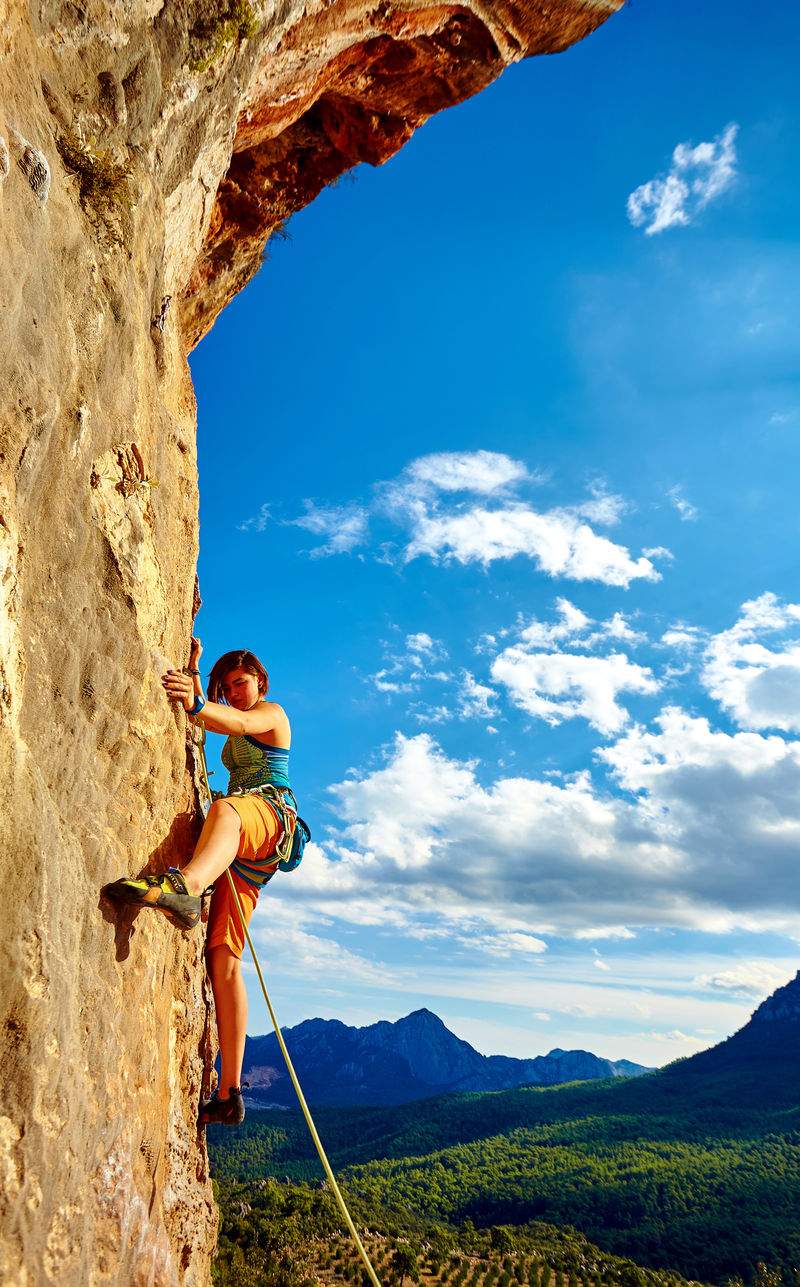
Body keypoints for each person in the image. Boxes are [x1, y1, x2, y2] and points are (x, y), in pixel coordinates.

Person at [108, 638, 296, 1127]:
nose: (234, 692)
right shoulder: (231, 709)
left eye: (241, 682)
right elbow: (205, 721)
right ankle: (231, 1091)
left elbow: (235, 722)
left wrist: (197, 700)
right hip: (246, 853)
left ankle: (184, 888)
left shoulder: (272, 715)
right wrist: (194, 677)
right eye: (227, 686)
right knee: (223, 959)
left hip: (267, 817)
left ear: (260, 681)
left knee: (225, 808)